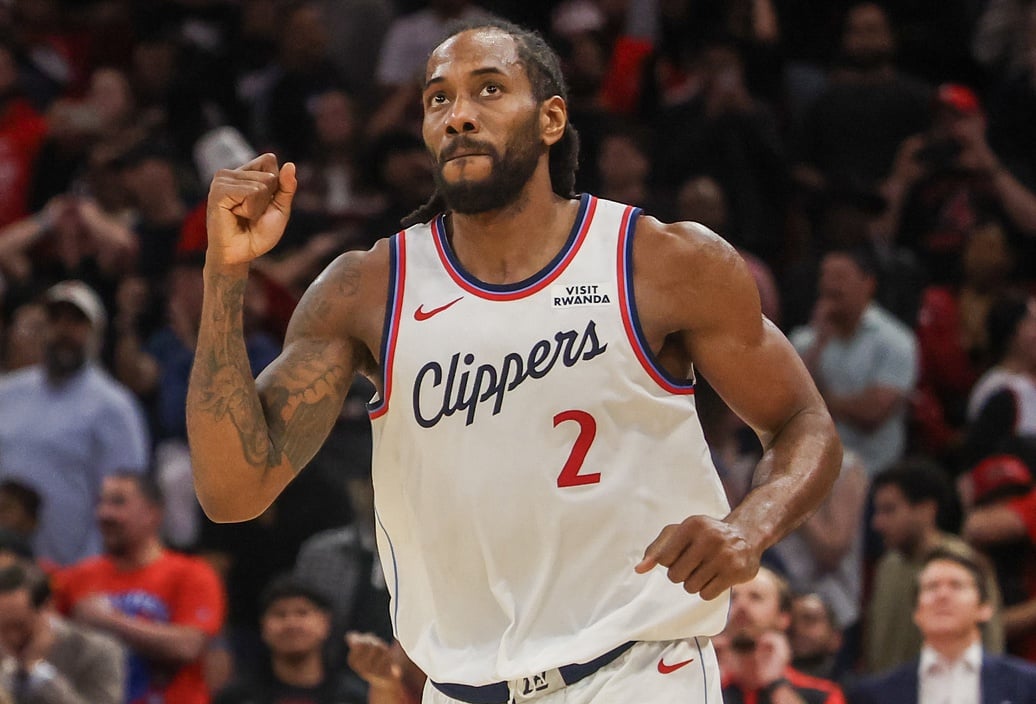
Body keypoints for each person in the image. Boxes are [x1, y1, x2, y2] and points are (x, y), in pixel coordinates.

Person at [187, 19, 841, 704]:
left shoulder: (661, 261)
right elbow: (234, 491)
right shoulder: (365, 291)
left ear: (551, 118)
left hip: (637, 672)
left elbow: (804, 421)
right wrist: (224, 274)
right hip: (461, 687)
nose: (459, 115)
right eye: (438, 99)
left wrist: (751, 527)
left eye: (489, 90)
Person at [0, 280, 150, 566]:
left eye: (77, 322)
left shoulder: (114, 407)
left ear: (98, 335)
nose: (64, 331)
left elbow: (123, 498)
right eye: (56, 320)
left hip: (75, 566)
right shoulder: (7, 393)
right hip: (6, 561)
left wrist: (93, 569)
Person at [51, 472, 226, 704]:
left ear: (152, 513)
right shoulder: (77, 577)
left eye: (118, 502)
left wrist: (109, 620)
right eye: (101, 503)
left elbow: (188, 646)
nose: (104, 513)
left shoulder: (192, 574)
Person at [864, 459, 1005, 673]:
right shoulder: (887, 566)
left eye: (889, 510)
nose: (878, 523)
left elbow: (991, 645)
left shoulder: (964, 564)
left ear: (926, 510)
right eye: (878, 511)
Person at [790, 248, 919, 477]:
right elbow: (786, 401)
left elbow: (872, 413)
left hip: (875, 473)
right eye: (825, 276)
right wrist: (819, 343)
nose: (830, 285)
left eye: (840, 276)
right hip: (811, 473)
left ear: (868, 284)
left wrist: (817, 404)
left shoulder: (896, 340)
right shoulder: (803, 341)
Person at [848, 548, 1036, 704]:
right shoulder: (875, 695)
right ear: (916, 612)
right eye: (931, 587)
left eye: (956, 585)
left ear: (984, 608)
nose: (942, 595)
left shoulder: (1027, 685)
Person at [215, 574, 361, 704]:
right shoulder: (236, 697)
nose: (291, 623)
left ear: (325, 623)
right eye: (280, 614)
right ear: (263, 627)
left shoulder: (353, 697)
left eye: (302, 613)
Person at [0, 562, 125, 704]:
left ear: (47, 607)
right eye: (1, 628)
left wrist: (37, 672)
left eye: (19, 626)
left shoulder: (96, 651)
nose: (10, 638)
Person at [719, 567, 846, 703]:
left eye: (756, 597)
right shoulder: (705, 679)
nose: (741, 605)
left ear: (783, 617)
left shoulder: (823, 695)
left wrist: (776, 684)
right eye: (733, 597)